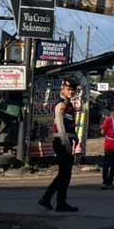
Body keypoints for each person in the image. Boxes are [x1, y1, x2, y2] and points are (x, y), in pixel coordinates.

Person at [39, 78, 80, 212]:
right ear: (63, 89)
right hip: (62, 142)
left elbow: (70, 125)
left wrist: (76, 138)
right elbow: (60, 126)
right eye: (68, 89)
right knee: (64, 175)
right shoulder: (61, 105)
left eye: (73, 90)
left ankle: (48, 199)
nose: (71, 92)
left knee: (64, 174)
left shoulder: (69, 104)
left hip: (67, 141)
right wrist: (66, 143)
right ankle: (59, 202)